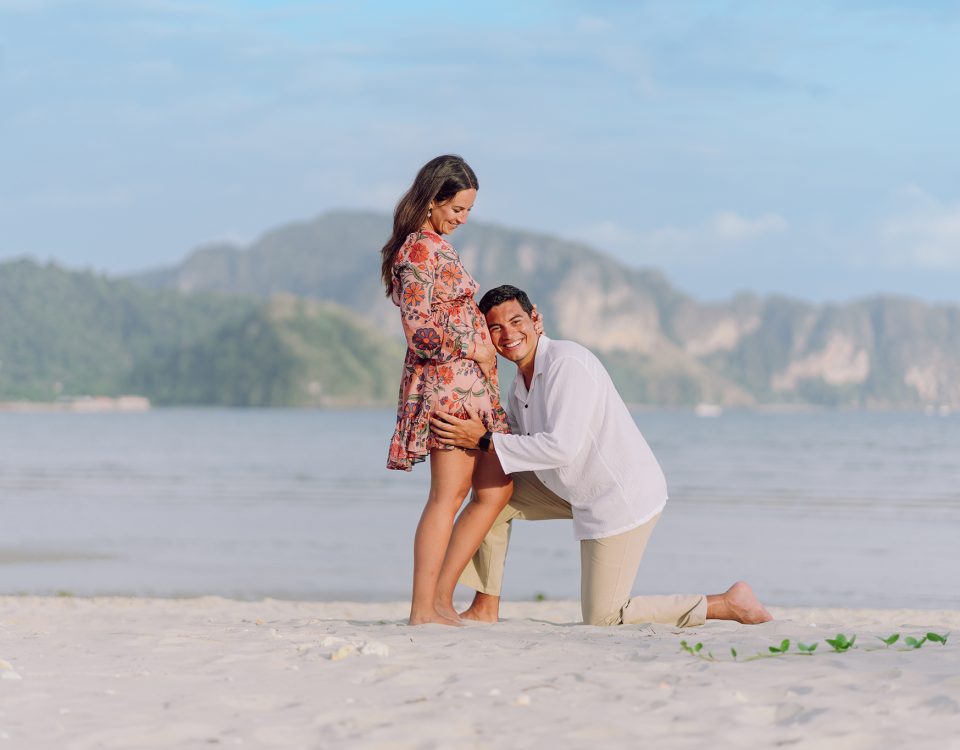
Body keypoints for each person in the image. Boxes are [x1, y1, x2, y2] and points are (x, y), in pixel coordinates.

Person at [430, 285, 773, 627]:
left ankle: (725, 603)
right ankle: (484, 607)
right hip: (570, 488)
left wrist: (487, 440)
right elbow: (517, 441)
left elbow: (561, 447)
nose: (508, 334)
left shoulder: (567, 364)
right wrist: (470, 437)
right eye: (495, 328)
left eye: (516, 321)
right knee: (491, 498)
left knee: (604, 617)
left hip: (619, 497)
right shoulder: (519, 383)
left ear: (536, 319)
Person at [381, 155, 514, 626]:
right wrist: (476, 346)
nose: (461, 219)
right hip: (449, 386)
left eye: (467, 212)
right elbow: (420, 332)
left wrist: (481, 353)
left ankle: (438, 600)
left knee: (489, 490)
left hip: (466, 385)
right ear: (433, 199)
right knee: (447, 496)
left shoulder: (434, 246)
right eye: (456, 209)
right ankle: (424, 608)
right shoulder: (418, 251)